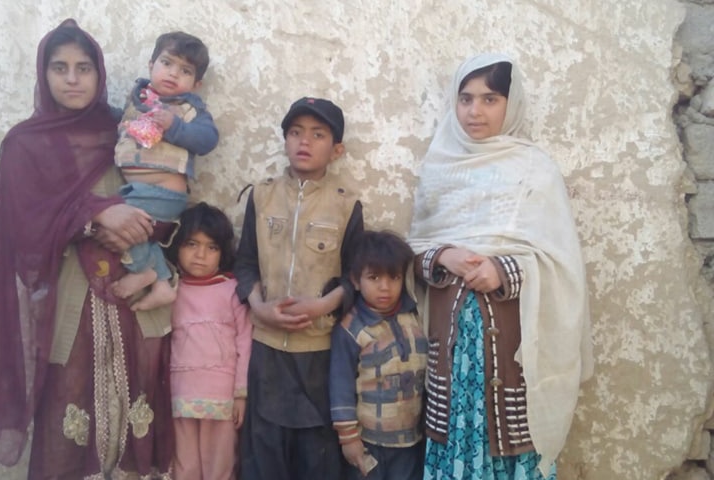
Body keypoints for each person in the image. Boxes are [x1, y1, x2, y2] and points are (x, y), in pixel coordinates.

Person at [0, 19, 174, 479]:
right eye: (60, 67)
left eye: (84, 68)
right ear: (43, 75)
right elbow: (21, 232)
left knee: (138, 419)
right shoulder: (24, 146)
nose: (72, 78)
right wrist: (94, 216)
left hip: (136, 304)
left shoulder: (126, 129)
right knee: (68, 423)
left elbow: (170, 194)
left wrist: (139, 223)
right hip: (69, 309)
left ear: (98, 74)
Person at [407, 52, 593, 480]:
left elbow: (561, 262)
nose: (475, 111)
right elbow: (414, 250)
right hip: (452, 355)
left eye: (490, 99)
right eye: (466, 98)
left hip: (512, 347)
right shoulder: (439, 167)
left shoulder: (535, 170)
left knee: (512, 450)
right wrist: (443, 256)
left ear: (512, 104)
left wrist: (504, 270)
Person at [234, 97, 364, 480]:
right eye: (295, 132)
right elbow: (244, 262)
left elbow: (356, 276)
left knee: (318, 458)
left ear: (336, 149)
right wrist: (258, 307)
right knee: (264, 456)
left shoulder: (347, 205)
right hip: (266, 351)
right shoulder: (262, 195)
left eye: (318, 134)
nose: (304, 141)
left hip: (320, 354)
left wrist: (323, 305)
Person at [110, 31, 219, 311]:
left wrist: (174, 126)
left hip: (163, 191)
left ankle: (147, 273)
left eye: (185, 71)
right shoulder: (137, 100)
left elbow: (208, 139)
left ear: (196, 84)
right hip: (138, 190)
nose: (173, 73)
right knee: (130, 229)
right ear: (151, 66)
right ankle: (161, 284)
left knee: (122, 228)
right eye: (167, 63)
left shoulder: (188, 110)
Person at [329, 230, 427, 480]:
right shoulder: (351, 329)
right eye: (374, 277)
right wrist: (348, 439)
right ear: (355, 280)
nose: (385, 287)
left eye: (393, 277)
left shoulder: (415, 316)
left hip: (411, 439)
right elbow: (340, 386)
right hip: (368, 441)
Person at [166, 202, 252, 480]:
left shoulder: (231, 290)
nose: (200, 255)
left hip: (222, 398)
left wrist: (241, 395)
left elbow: (245, 342)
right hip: (179, 396)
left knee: (221, 465)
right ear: (176, 245)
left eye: (211, 247)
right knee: (184, 465)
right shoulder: (169, 290)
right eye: (192, 244)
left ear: (223, 252)